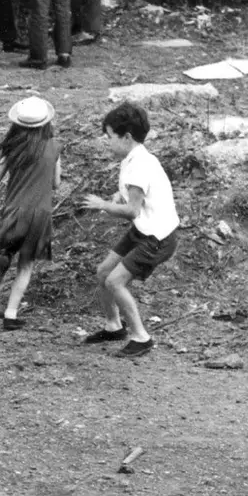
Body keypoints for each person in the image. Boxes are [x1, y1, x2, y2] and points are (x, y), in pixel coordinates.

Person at [80, 102, 179, 358]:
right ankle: (113, 326)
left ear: (126, 137)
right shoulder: (133, 158)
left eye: (110, 137)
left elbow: (132, 210)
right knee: (103, 272)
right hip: (143, 229)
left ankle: (141, 337)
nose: (108, 143)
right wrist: (117, 196)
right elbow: (134, 196)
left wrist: (103, 205)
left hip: (157, 236)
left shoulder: (140, 165)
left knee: (115, 281)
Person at [0, 97, 60, 329]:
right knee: (26, 265)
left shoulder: (13, 146)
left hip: (14, 208)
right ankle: (11, 315)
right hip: (41, 212)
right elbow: (56, 183)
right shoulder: (54, 146)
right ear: (46, 122)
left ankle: (7, 253)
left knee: (14, 241)